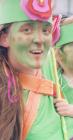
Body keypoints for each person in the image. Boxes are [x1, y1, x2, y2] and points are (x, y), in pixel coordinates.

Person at [0, 0, 69, 140]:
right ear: (4, 38)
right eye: (27, 29)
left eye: (46, 30)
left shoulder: (53, 70)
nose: (40, 40)